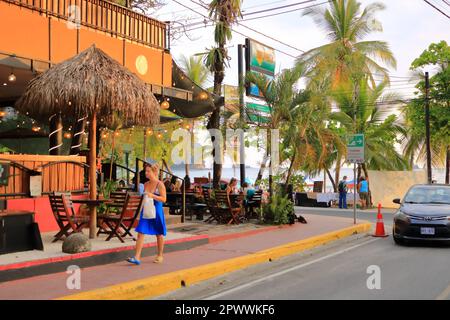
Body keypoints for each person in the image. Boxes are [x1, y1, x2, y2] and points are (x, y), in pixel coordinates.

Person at [127, 164, 167, 265]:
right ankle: (137, 257)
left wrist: (152, 195)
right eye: (146, 171)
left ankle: (160, 255)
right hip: (146, 210)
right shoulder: (145, 184)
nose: (146, 173)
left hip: (156, 210)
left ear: (154, 172)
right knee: (140, 232)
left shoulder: (160, 184)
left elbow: (164, 199)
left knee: (159, 234)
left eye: (148, 171)